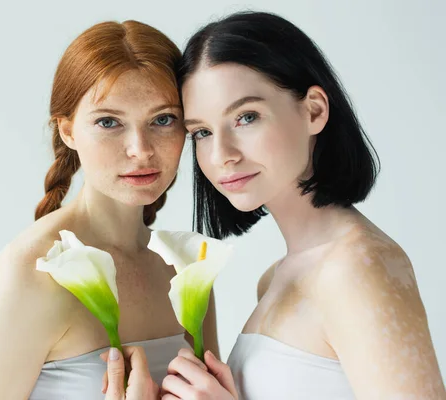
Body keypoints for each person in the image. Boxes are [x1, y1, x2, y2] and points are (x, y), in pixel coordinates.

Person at [106, 11, 446, 400]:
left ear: (314, 110)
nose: (221, 155)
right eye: (202, 132)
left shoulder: (357, 269)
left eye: (246, 117)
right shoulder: (275, 279)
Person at [0, 20, 219, 400]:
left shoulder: (186, 265)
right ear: (68, 131)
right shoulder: (35, 268)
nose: (140, 149)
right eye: (109, 122)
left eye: (163, 119)